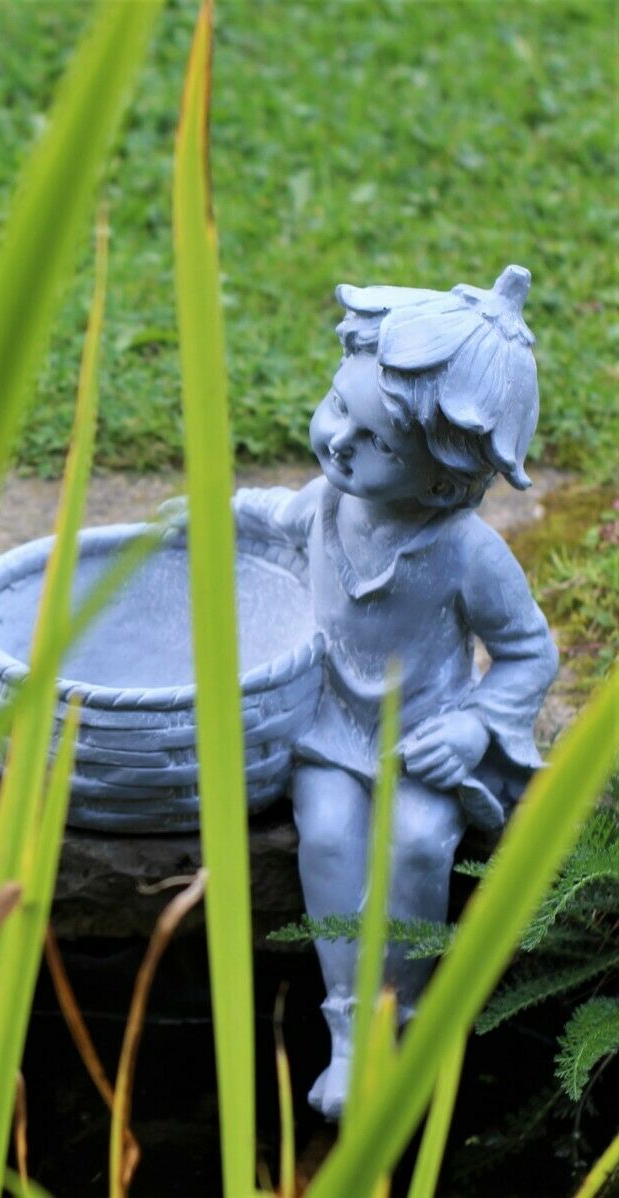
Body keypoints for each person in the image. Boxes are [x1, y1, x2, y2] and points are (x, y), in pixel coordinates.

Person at [232, 267, 558, 1118]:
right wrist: (208, 510)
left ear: (447, 479)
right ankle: (348, 1034)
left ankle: (401, 1026)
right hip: (328, 727)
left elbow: (528, 653)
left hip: (426, 732)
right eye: (339, 408)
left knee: (417, 844)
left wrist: (479, 729)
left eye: (373, 440)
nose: (337, 440)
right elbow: (270, 513)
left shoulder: (466, 550)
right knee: (330, 834)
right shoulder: (328, 504)